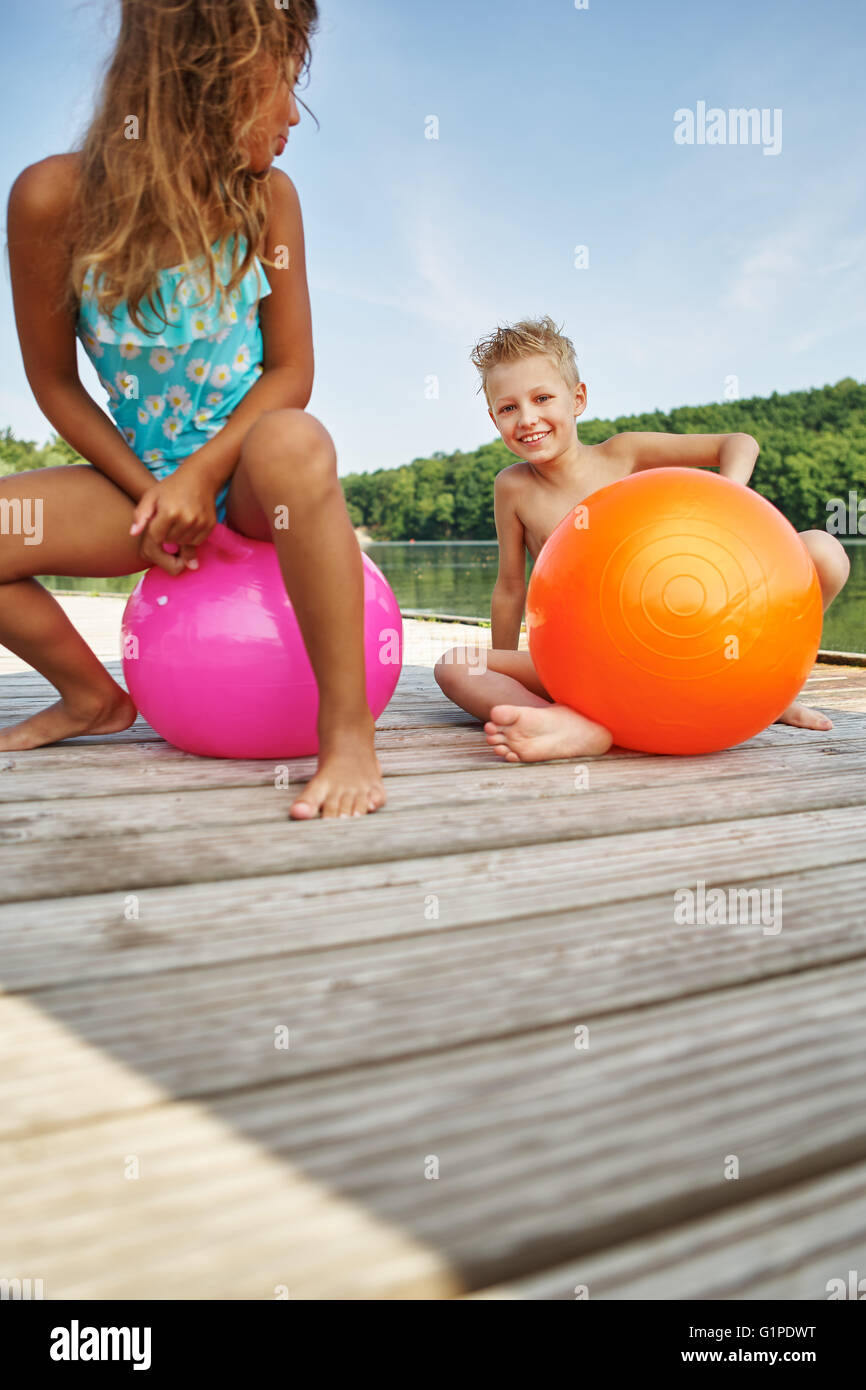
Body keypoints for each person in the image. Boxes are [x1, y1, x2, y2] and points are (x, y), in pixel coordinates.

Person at [2, 0, 385, 818]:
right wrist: (151, 491)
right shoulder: (49, 200)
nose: (291, 117)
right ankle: (90, 696)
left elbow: (292, 370)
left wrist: (203, 476)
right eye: (280, 86)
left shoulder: (270, 199)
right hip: (132, 484)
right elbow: (56, 384)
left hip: (247, 477)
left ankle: (349, 733)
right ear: (203, 85)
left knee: (297, 440)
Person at [434, 316, 850, 763]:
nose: (528, 418)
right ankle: (568, 725)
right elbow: (511, 587)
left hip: (681, 638)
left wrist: (728, 503)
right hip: (581, 661)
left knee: (823, 550)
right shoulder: (512, 486)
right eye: (508, 407)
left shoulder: (624, 453)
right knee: (455, 666)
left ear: (578, 399)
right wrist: (509, 673)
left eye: (542, 398)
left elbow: (739, 443)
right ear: (493, 416)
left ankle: (768, 687)